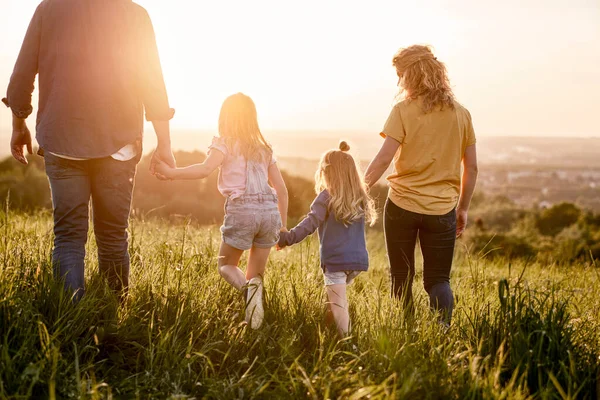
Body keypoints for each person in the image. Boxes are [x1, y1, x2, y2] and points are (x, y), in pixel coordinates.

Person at [3, 0, 175, 300]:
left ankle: (70, 320)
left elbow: (22, 75)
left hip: (62, 138)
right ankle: (112, 316)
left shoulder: (49, 9)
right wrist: (165, 143)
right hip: (118, 143)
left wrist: (19, 124)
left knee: (68, 237)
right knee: (112, 237)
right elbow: (153, 83)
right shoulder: (134, 14)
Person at [365, 45, 479, 324]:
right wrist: (462, 208)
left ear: (412, 75)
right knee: (439, 280)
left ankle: (406, 331)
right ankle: (442, 330)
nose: (398, 81)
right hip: (442, 210)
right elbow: (472, 167)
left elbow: (382, 160)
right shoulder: (461, 114)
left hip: (401, 205)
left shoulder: (402, 111)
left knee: (401, 276)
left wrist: (357, 190)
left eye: (400, 74)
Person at [155, 93, 288, 330]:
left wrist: (172, 173)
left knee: (226, 265)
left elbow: (205, 169)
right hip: (270, 212)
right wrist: (283, 226)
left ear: (225, 117)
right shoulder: (264, 149)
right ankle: (253, 324)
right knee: (255, 275)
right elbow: (282, 189)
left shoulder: (225, 143)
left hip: (242, 210)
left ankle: (248, 292)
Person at [278, 141, 377, 337]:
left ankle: (349, 344)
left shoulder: (325, 197)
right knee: (334, 299)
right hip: (357, 262)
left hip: (335, 261)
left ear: (327, 173)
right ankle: (326, 331)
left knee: (339, 304)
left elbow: (310, 223)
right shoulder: (358, 197)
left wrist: (287, 238)